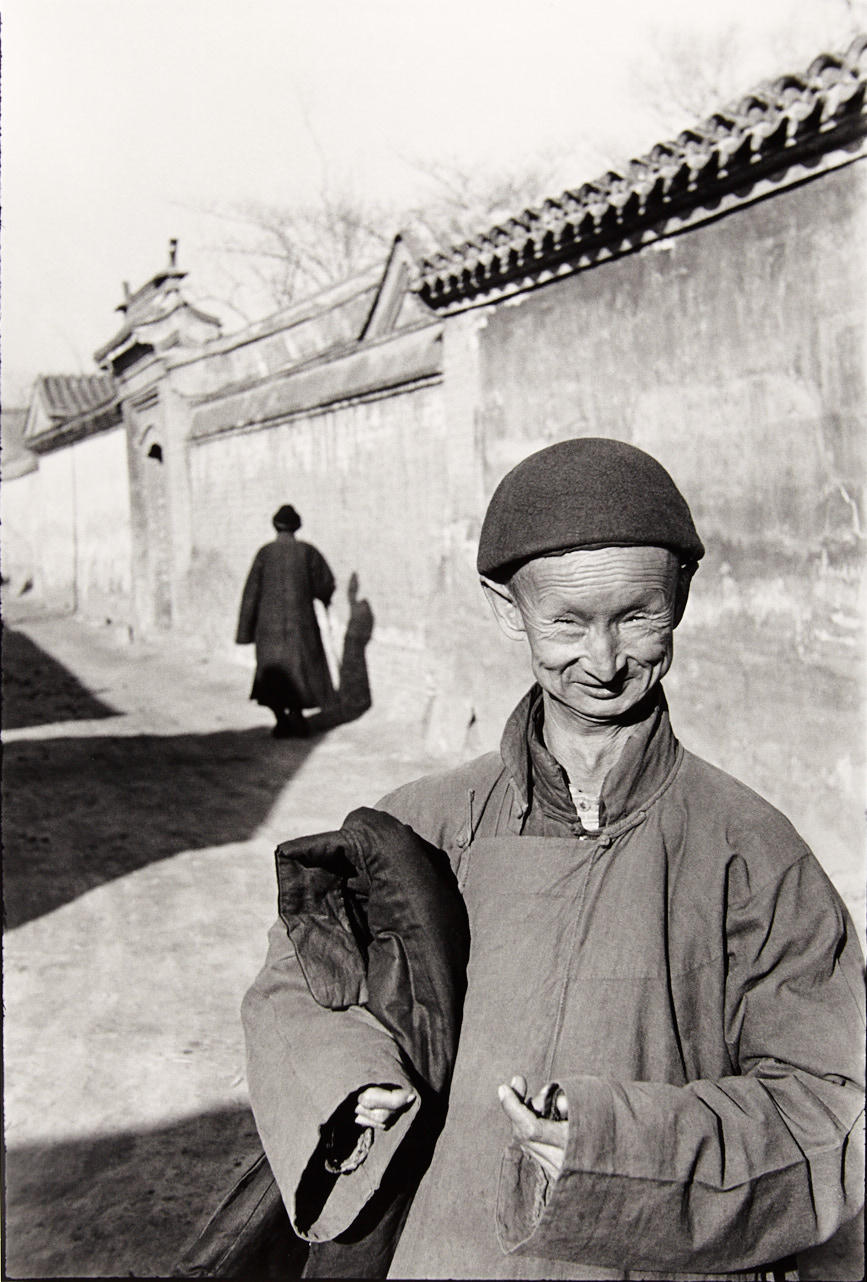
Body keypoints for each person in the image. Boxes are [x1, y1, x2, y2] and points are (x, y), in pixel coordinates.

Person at [241, 440, 865, 1279]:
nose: (604, 663)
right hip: (441, 1246)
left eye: (638, 617)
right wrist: (351, 1078)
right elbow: (304, 981)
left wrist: (617, 1145)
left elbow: (829, 1106)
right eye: (567, 623)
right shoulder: (422, 825)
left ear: (680, 592)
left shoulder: (751, 852)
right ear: (507, 609)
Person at [236, 505, 336, 737]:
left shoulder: (264, 553)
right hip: (301, 628)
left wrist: (245, 632)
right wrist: (323, 597)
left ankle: (282, 720)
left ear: (275, 526)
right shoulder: (307, 552)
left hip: (268, 629)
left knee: (273, 674)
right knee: (300, 671)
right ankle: (297, 717)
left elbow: (251, 593)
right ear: (297, 527)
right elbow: (325, 583)